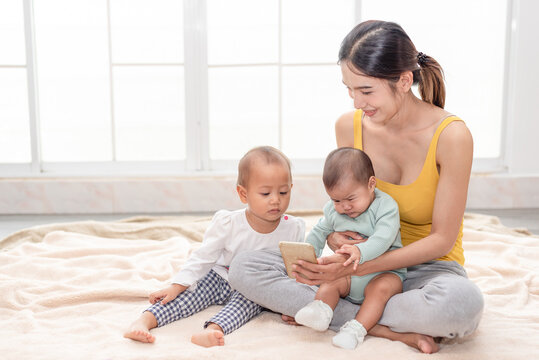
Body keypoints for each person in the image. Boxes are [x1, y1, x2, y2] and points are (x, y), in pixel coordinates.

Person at [227, 20, 483, 354]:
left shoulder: (452, 136)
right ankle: (378, 325)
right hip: (352, 271)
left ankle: (334, 312)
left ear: (405, 81)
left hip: (425, 271)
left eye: (365, 90)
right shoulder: (349, 126)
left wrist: (359, 264)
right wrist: (335, 240)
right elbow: (344, 204)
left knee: (462, 305)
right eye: (349, 90)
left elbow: (442, 240)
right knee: (245, 268)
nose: (355, 102)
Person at [124, 146, 305, 347]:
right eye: (265, 193)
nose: (275, 200)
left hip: (253, 286)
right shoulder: (228, 223)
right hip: (218, 276)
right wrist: (177, 286)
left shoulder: (294, 228)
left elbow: (295, 272)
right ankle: (144, 321)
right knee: (189, 295)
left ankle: (213, 330)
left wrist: (292, 307)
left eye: (283, 192)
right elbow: (203, 257)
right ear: (243, 194)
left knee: (247, 305)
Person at [294, 147, 406, 350]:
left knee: (379, 289)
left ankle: (356, 329)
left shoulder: (386, 207)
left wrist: (360, 252)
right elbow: (320, 231)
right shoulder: (333, 210)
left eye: (350, 199)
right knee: (330, 282)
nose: (344, 207)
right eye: (336, 200)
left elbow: (383, 238)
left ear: (371, 184)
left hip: (384, 271)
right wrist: (308, 253)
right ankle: (320, 309)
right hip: (347, 273)